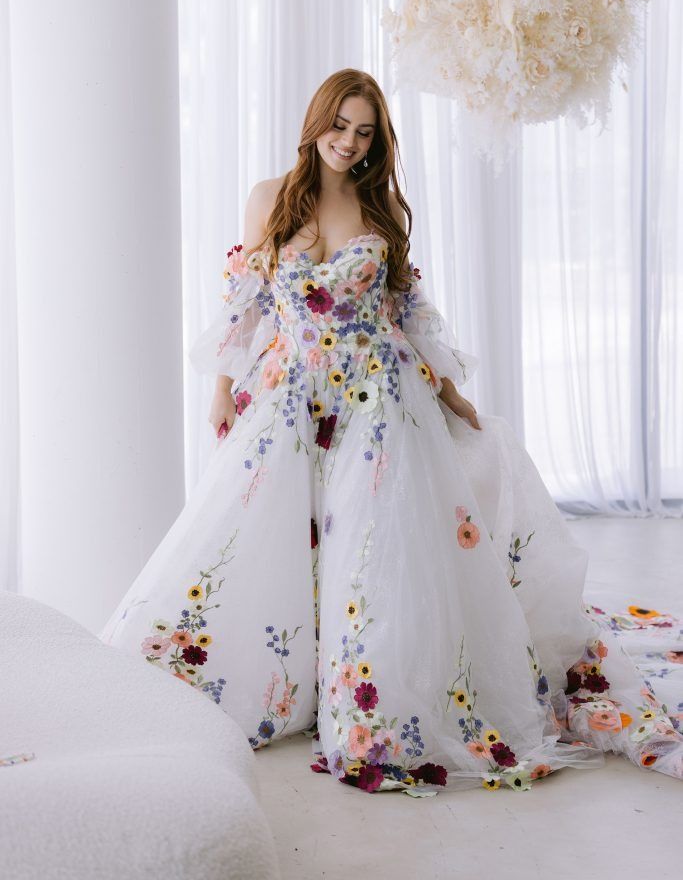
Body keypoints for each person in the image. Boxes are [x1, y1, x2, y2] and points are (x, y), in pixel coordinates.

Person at [100, 68, 683, 794]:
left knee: (369, 555)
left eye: (364, 132)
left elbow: (406, 312)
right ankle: (285, 682)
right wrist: (221, 389)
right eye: (339, 126)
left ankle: (368, 694)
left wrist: (451, 392)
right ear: (315, 124)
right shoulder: (269, 198)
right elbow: (245, 299)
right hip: (290, 397)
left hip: (378, 402)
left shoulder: (380, 211)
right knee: (271, 541)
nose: (348, 142)